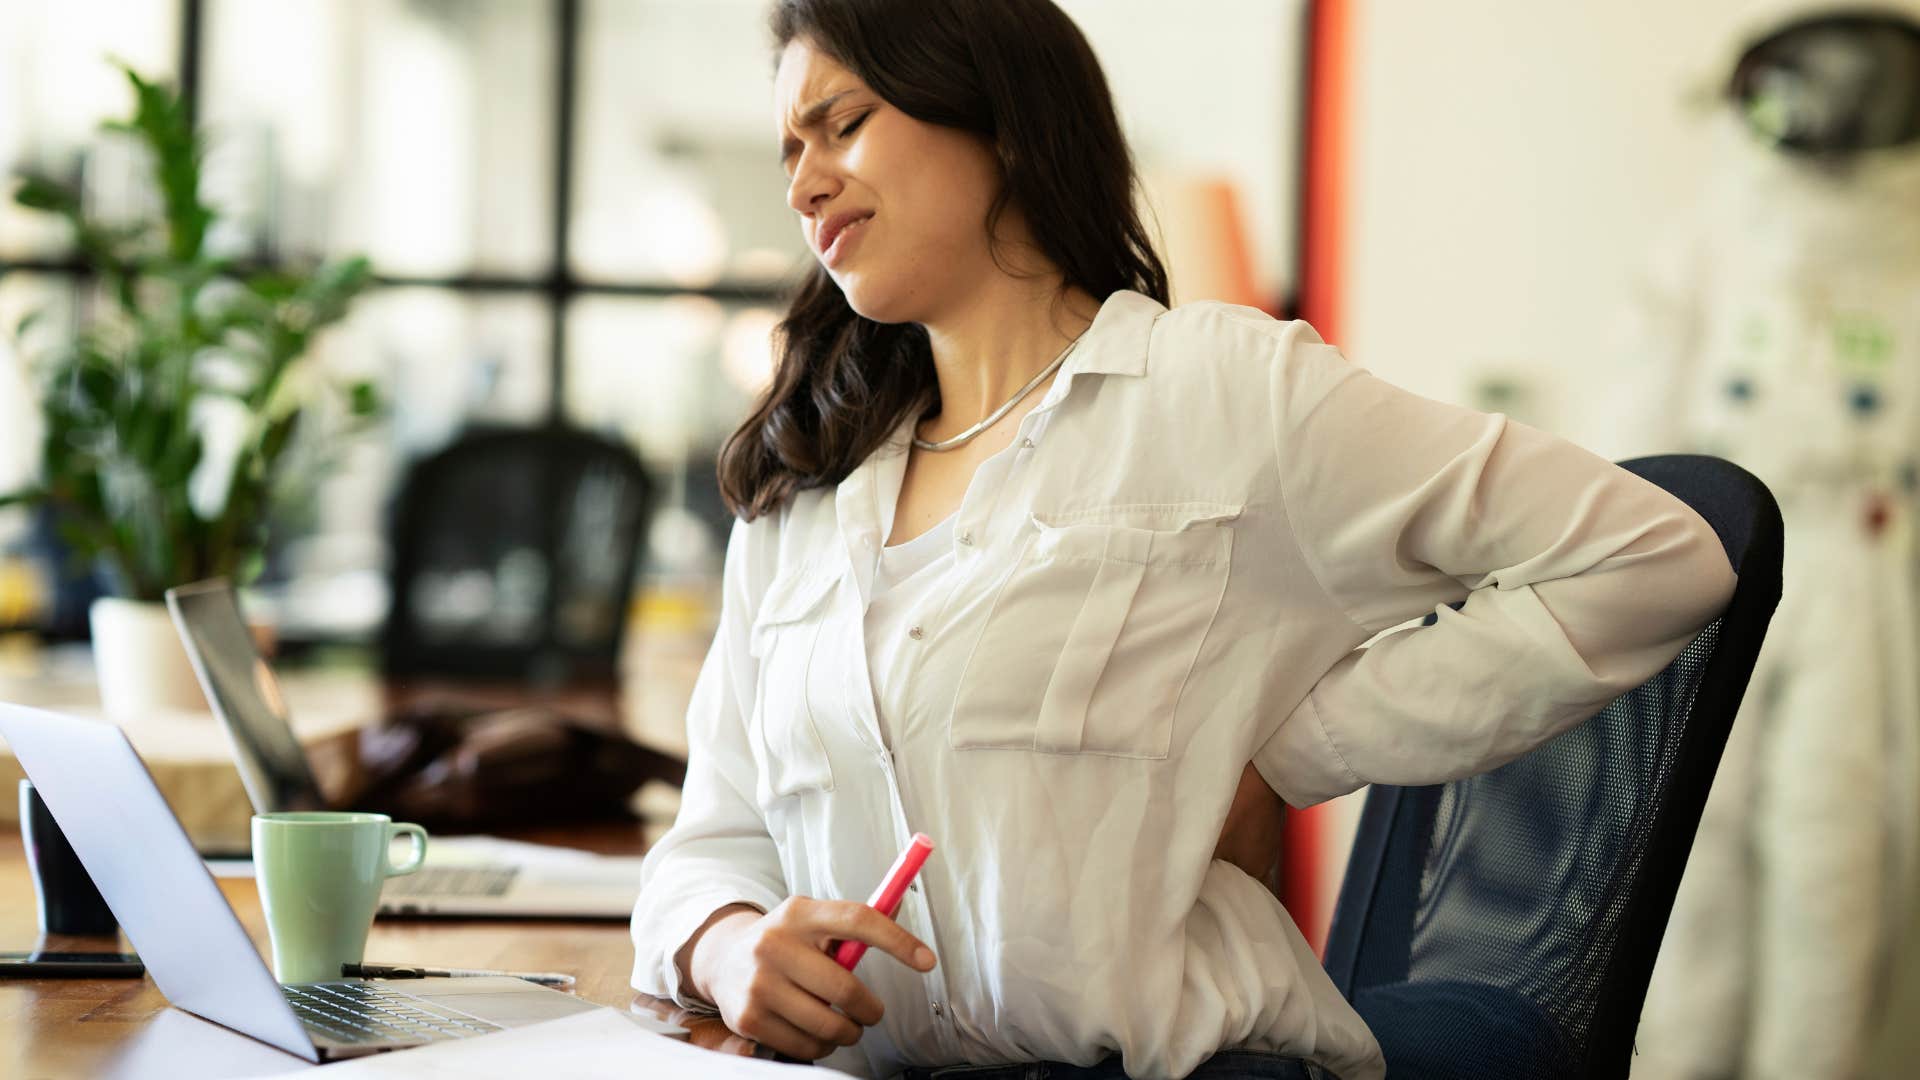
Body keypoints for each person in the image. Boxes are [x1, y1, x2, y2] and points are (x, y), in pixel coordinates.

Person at [630, 2, 1737, 1077]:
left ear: (1001, 120)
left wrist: (1294, 751)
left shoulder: (1221, 394)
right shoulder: (805, 492)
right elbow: (709, 839)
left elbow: (1655, 560)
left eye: (843, 122)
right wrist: (726, 948)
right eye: (789, 148)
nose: (802, 181)